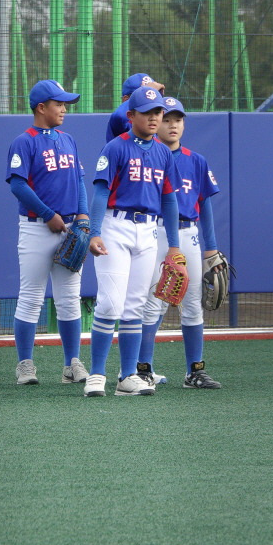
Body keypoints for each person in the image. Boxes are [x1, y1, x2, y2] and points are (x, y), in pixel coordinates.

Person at [84, 86, 183, 397]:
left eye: (158, 112)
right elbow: (100, 192)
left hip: (149, 231)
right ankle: (96, 374)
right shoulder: (115, 148)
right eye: (147, 112)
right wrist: (94, 231)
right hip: (115, 226)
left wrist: (175, 246)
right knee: (110, 303)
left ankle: (127, 376)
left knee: (135, 306)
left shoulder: (163, 152)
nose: (154, 118)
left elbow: (169, 199)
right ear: (131, 115)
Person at [5, 80, 90, 386]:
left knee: (69, 299)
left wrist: (83, 216)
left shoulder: (68, 140)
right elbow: (17, 184)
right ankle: (25, 365)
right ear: (41, 107)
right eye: (59, 104)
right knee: (31, 298)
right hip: (36, 228)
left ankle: (71, 364)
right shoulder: (24, 141)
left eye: (65, 104)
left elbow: (79, 180)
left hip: (70, 228)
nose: (64, 109)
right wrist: (47, 214)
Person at [140, 97, 223, 389]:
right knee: (153, 303)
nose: (172, 125)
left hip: (189, 234)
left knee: (193, 304)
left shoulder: (196, 160)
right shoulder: (148, 156)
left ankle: (194, 371)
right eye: (167, 119)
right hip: (157, 232)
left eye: (178, 119)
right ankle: (143, 369)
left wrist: (211, 247)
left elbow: (205, 205)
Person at [106, 73, 166, 142]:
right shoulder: (123, 123)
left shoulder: (154, 127)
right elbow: (119, 116)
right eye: (143, 97)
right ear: (126, 99)